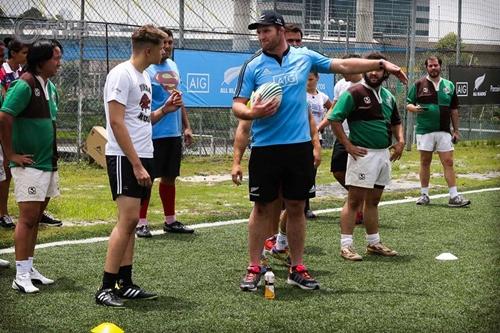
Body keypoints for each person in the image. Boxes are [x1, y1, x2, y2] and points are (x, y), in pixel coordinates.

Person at [233, 11, 407, 291]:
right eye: (259, 32)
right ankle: (255, 266)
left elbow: (343, 64)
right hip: (265, 148)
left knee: (296, 207)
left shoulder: (305, 57)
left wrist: (380, 62)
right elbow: (237, 105)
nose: (261, 36)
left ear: (279, 30)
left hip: (298, 147)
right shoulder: (252, 65)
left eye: (266, 30)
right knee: (262, 208)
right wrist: (253, 111)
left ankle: (297, 268)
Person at [95, 25, 183, 308]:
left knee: (132, 222)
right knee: (128, 220)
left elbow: (142, 119)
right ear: (149, 49)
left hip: (143, 154)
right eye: (162, 47)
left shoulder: (144, 75)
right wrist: (135, 163)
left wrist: (164, 110)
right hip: (124, 157)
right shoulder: (121, 74)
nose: (165, 50)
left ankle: (126, 282)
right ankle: (106, 287)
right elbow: (117, 123)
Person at [327, 52, 404, 261]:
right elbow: (334, 118)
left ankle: (373, 243)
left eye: (378, 68)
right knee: (354, 201)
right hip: (363, 155)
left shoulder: (388, 96)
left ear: (384, 72)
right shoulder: (354, 92)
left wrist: (401, 140)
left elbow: (397, 121)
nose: (373, 72)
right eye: (370, 67)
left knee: (374, 200)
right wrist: (348, 145)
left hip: (383, 155)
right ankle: (346, 246)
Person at [0, 39, 63, 293]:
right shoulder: (24, 84)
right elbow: (4, 115)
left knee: (36, 219)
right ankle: (21, 275)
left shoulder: (50, 87)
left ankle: (29, 267)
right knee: (26, 220)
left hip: (47, 162)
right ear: (41, 61)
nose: (59, 63)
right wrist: (11, 153)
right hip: (30, 163)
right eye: (56, 58)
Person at [135, 27, 194, 238]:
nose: (167, 46)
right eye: (164, 43)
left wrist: (186, 126)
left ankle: (170, 221)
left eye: (170, 42)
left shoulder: (173, 66)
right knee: (147, 179)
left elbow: (179, 98)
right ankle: (141, 222)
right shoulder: (145, 70)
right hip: (151, 132)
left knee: (169, 177)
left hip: (172, 133)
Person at [407, 56, 470, 207]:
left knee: (448, 162)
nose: (433, 68)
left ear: (440, 66)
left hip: (444, 131)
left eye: (436, 65)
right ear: (426, 67)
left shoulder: (449, 85)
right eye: (430, 66)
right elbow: (409, 104)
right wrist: (414, 108)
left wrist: (456, 130)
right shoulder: (418, 84)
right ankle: (424, 195)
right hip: (425, 130)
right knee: (425, 162)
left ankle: (454, 196)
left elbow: (454, 110)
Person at [317, 54, 364, 225]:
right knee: (338, 171)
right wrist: (319, 127)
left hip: (361, 136)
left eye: (346, 67)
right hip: (343, 134)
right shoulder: (340, 85)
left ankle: (360, 208)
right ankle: (359, 198)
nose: (342, 71)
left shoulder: (368, 84)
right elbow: (334, 109)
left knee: (360, 174)